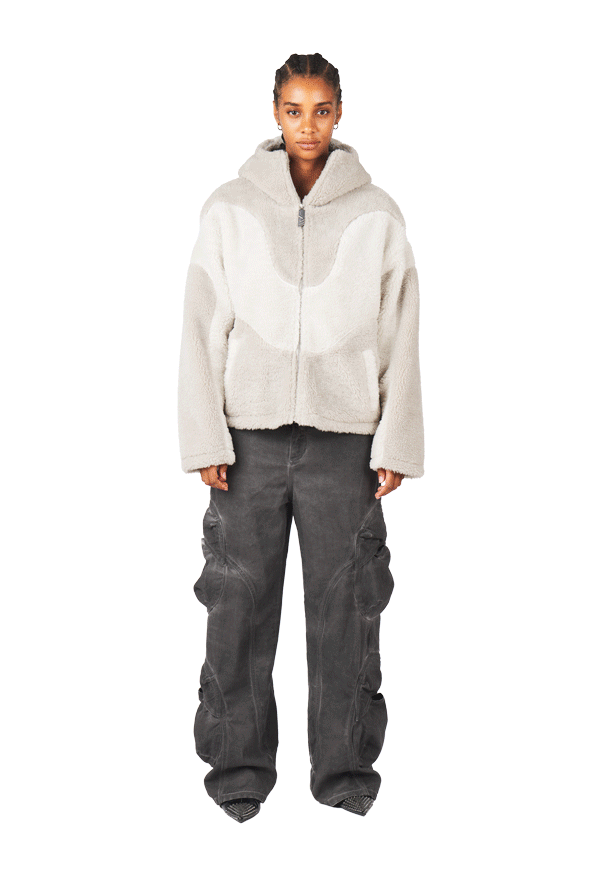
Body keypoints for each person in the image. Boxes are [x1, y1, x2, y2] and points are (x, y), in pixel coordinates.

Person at [177, 52, 425, 823]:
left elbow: (402, 330)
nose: (307, 125)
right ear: (275, 112)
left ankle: (346, 772)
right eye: (294, 109)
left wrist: (395, 442)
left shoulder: (377, 213)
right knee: (236, 603)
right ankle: (238, 770)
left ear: (339, 112)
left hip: (345, 440)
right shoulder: (230, 208)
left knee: (349, 604)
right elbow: (201, 323)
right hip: (245, 442)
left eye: (321, 109)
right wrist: (204, 435)